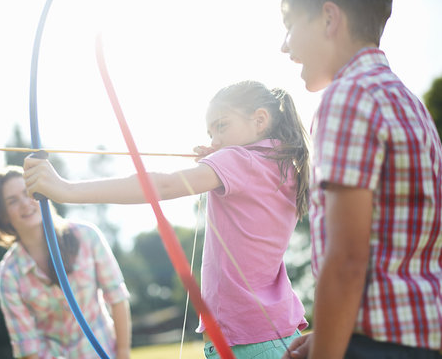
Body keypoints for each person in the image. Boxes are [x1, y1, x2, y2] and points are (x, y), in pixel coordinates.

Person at [23, 80, 310, 359]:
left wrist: (65, 190)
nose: (214, 140)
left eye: (222, 126)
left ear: (260, 120)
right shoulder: (284, 167)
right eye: (211, 133)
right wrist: (222, 155)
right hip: (281, 334)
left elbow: (165, 185)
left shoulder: (239, 160)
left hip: (250, 343)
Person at [280, 0, 442, 358]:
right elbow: (391, 252)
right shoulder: (411, 104)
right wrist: (331, 334)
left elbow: (347, 259)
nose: (285, 45)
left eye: (289, 25)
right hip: (420, 339)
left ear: (328, 17)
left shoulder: (347, 96)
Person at [0, 165, 131, 359]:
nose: (24, 203)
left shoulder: (86, 236)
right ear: (3, 215)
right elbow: (28, 347)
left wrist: (123, 354)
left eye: (28, 193)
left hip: (104, 351)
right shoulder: (9, 274)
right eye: (12, 201)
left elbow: (117, 298)